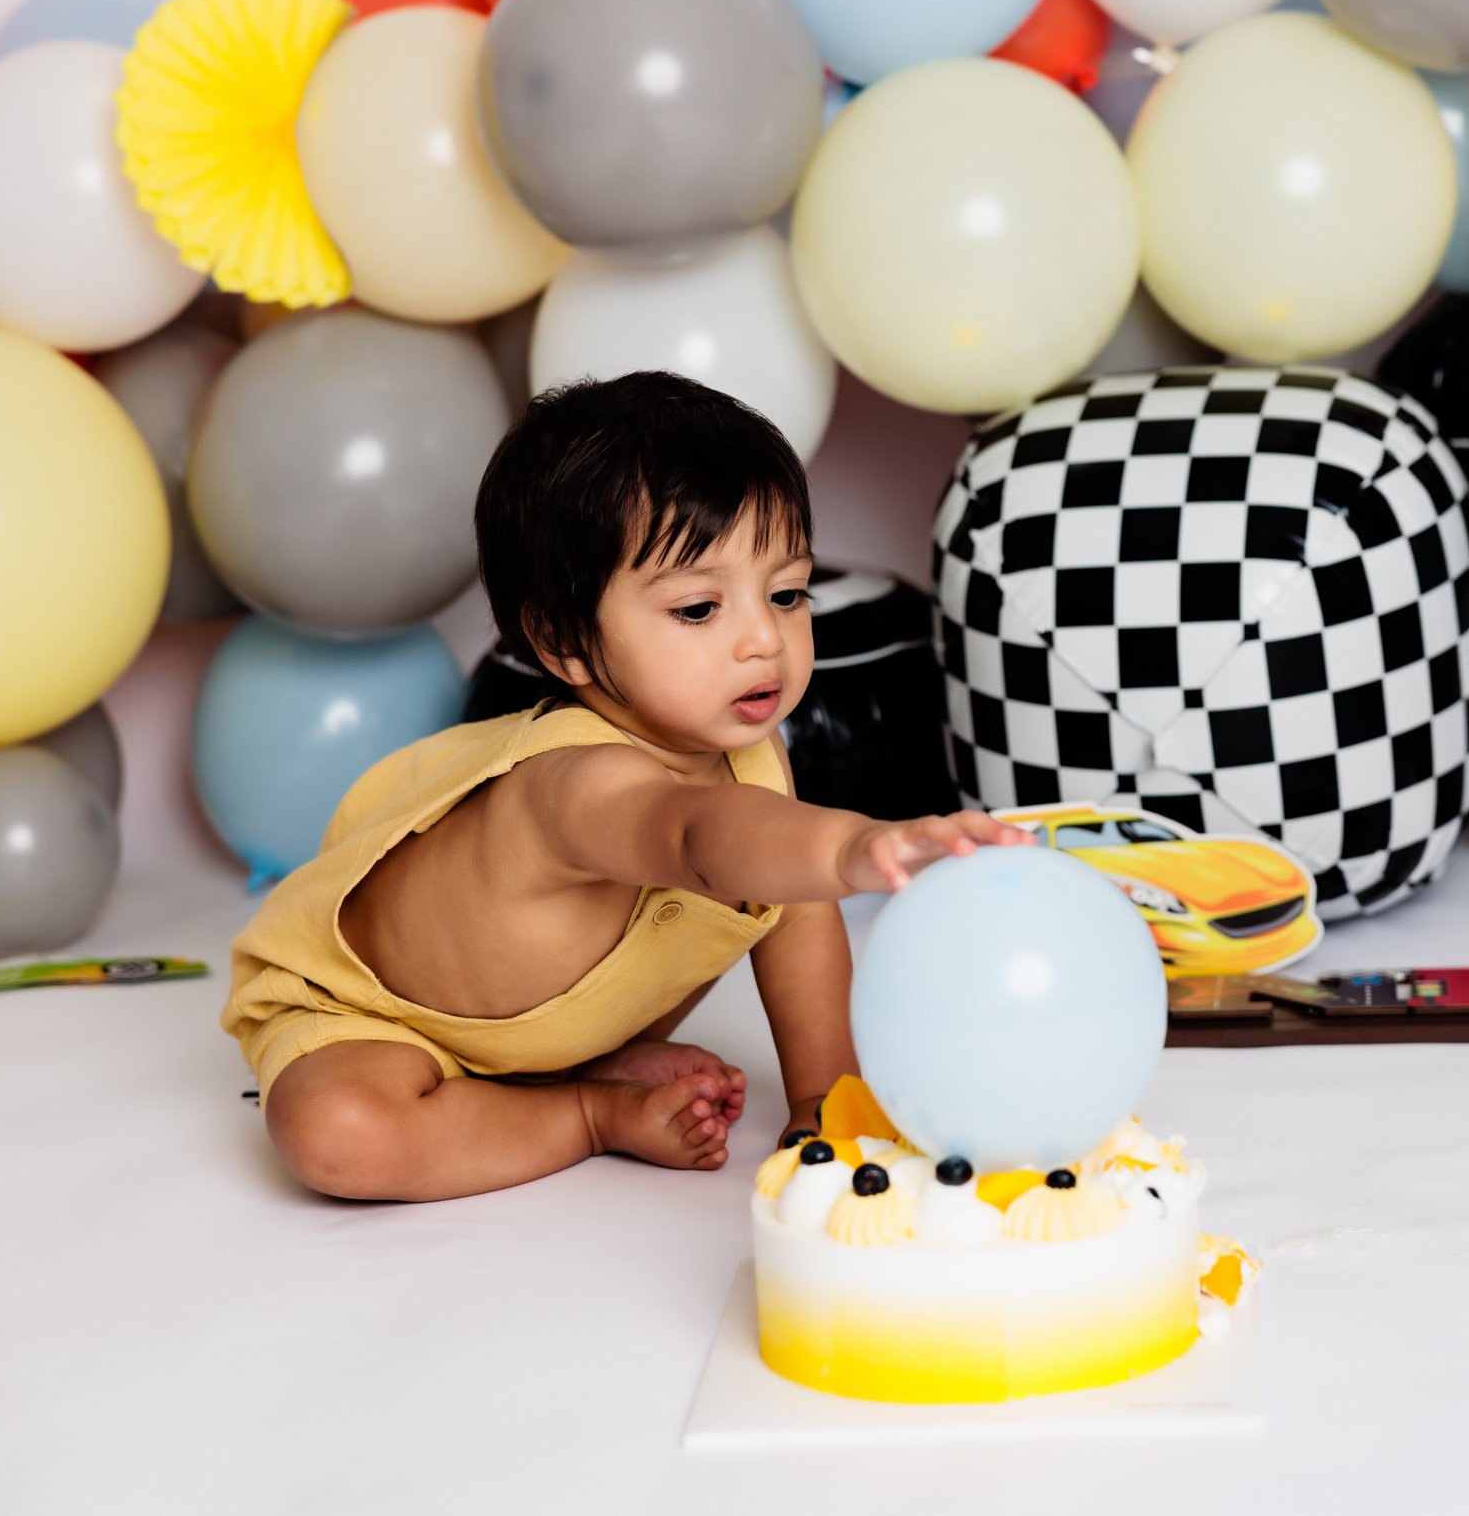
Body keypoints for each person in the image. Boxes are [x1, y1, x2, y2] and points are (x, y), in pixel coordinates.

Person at [221, 372, 1027, 1202]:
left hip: (555, 1015)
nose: (764, 639)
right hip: (377, 1019)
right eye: (697, 610)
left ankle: (576, 1065)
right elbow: (699, 838)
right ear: (565, 642)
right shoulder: (574, 783)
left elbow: (790, 902)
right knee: (341, 1136)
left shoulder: (752, 750)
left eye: (787, 593)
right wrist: (858, 845)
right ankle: (583, 1108)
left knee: (780, 876)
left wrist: (827, 1098)